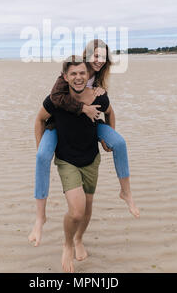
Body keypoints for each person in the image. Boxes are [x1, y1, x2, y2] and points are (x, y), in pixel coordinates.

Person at [28, 39, 139, 248]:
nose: (99, 60)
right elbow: (54, 98)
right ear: (87, 55)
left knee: (120, 143)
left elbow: (108, 111)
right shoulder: (71, 73)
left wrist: (107, 136)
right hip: (57, 126)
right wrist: (82, 108)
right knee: (42, 156)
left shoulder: (97, 79)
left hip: (93, 124)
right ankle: (40, 217)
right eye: (96, 56)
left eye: (103, 57)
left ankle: (126, 192)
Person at [34, 56, 112, 273]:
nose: (78, 77)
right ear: (65, 77)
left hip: (91, 159)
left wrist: (108, 138)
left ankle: (79, 239)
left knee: (87, 209)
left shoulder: (98, 97)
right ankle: (67, 244)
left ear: (88, 76)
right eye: (73, 74)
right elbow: (39, 119)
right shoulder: (56, 100)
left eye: (82, 73)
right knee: (76, 212)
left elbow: (110, 113)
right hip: (67, 160)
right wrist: (42, 150)